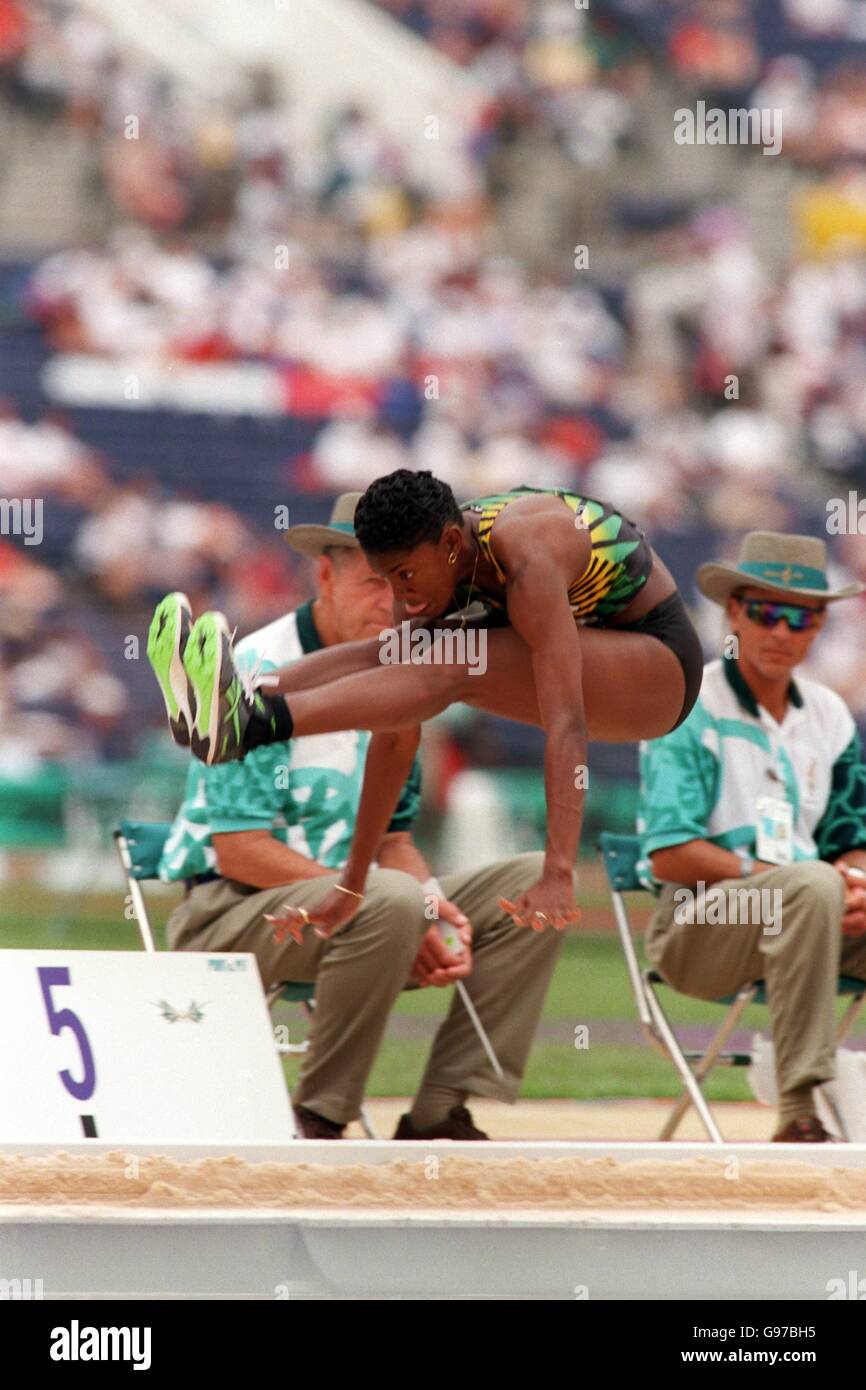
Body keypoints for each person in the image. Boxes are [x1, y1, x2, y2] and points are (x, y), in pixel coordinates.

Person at [157, 493, 563, 1140]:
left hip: (362, 914)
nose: (394, 604)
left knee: (534, 884)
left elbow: (395, 840)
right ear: (324, 575)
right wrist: (385, 902)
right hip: (229, 917)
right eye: (375, 583)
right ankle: (320, 1114)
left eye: (407, 586)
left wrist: (431, 907)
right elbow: (238, 849)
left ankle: (440, 1111)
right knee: (392, 900)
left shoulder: (406, 674)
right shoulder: (259, 672)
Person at [149, 469, 704, 939]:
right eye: (386, 578)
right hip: (590, 646)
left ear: (452, 545)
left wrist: (561, 869)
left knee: (455, 658)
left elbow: (567, 723)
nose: (401, 595)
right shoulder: (427, 571)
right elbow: (395, 736)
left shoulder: (528, 553)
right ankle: (243, 692)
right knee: (396, 650)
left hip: (660, 671)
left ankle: (249, 725)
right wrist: (352, 881)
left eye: (406, 575)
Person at [637, 531, 866, 1142]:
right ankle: (799, 1111)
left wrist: (857, 884)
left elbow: (851, 834)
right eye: (766, 611)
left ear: (819, 626)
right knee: (812, 885)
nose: (782, 631)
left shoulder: (831, 714)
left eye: (801, 617)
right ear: (732, 611)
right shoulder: (688, 704)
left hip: (811, 914)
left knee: (827, 886)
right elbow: (669, 854)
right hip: (698, 927)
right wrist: (793, 883)